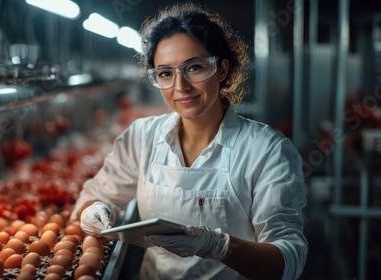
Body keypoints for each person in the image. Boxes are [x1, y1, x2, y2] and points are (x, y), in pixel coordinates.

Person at [71, 2, 308, 279]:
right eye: (166, 73)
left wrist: (219, 247)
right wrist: (96, 209)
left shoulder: (266, 150)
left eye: (194, 68)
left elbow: (288, 261)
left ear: (221, 70)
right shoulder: (142, 137)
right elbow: (96, 196)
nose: (180, 86)